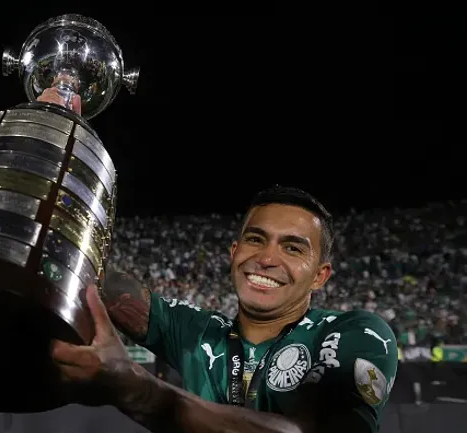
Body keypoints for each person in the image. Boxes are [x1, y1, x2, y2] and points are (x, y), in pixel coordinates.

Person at [42, 90, 398, 432]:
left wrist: (137, 389)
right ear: (233, 253)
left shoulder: (354, 333)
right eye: (256, 239)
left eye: (292, 248)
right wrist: (53, 143)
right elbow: (94, 283)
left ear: (320, 276)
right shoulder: (197, 332)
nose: (267, 258)